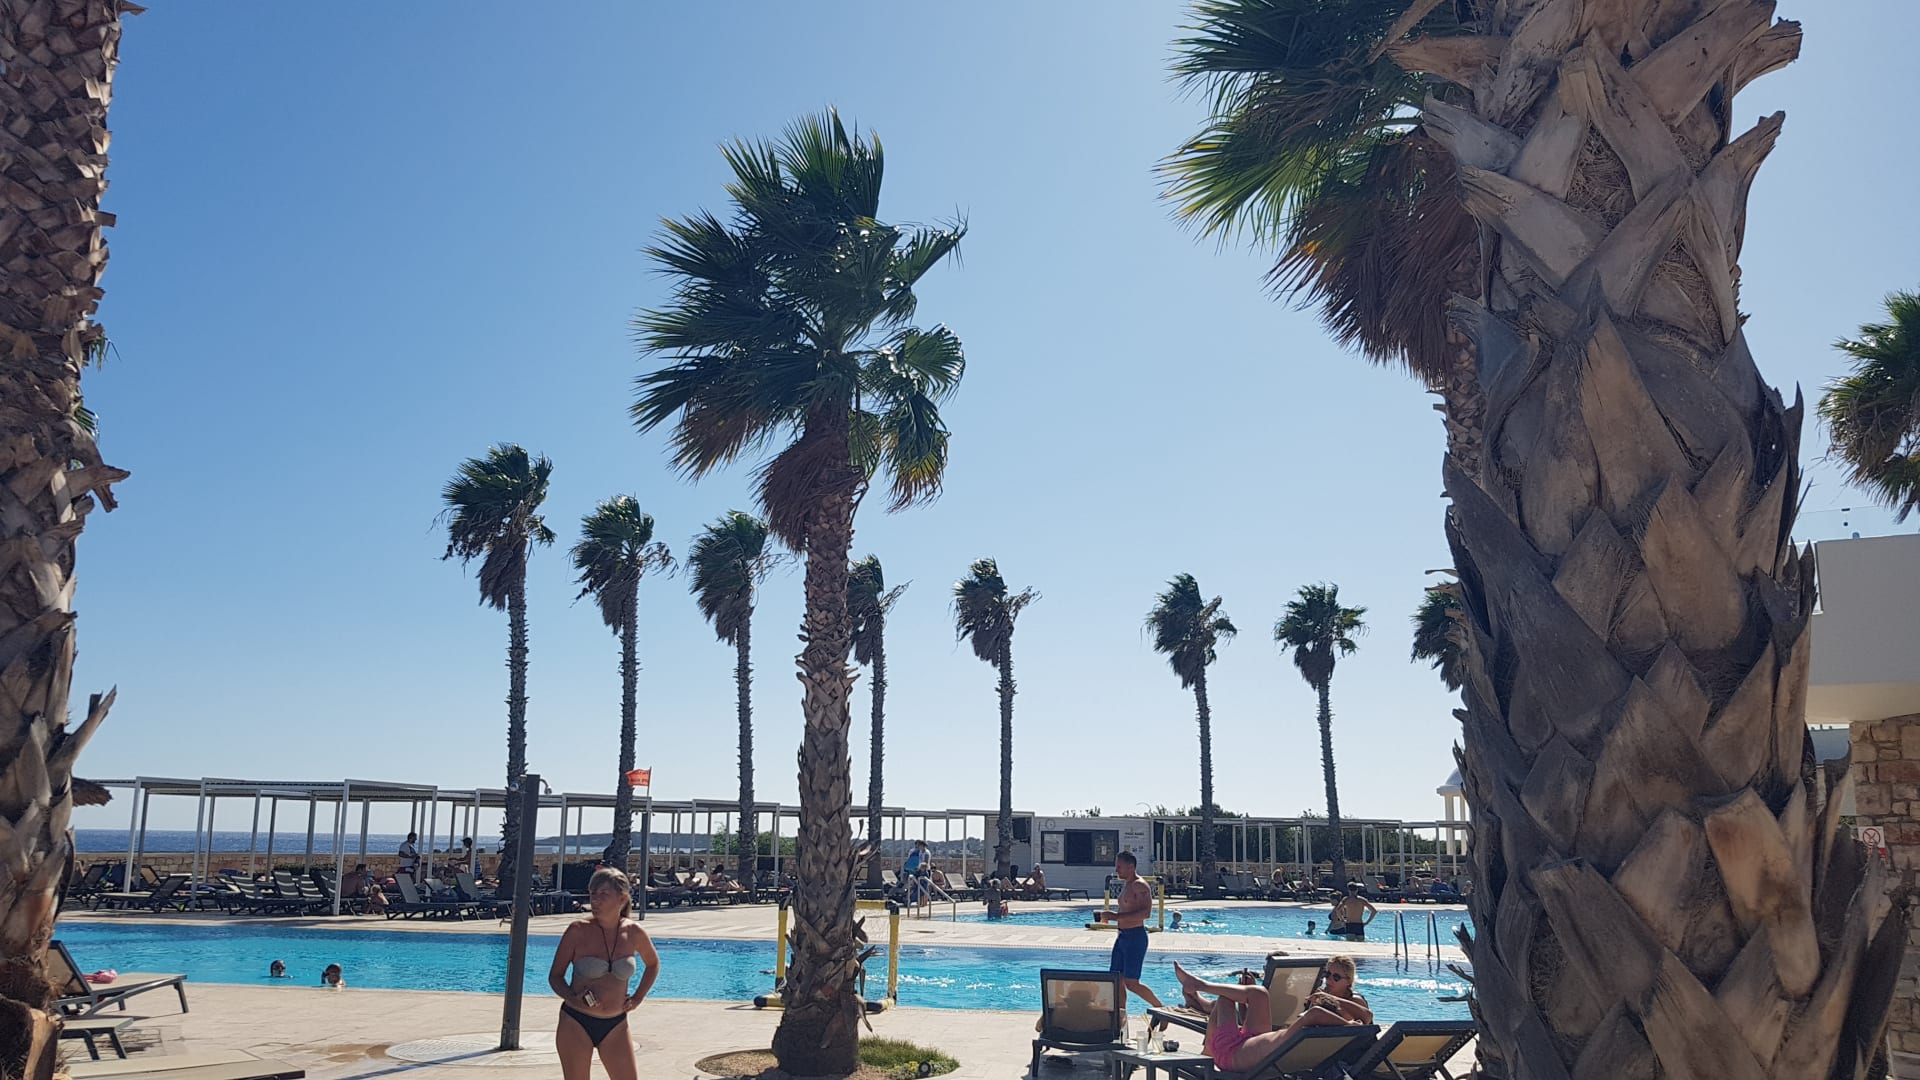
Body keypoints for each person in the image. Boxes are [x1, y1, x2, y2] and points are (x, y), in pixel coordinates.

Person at [549, 867, 659, 1080]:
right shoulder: (577, 930)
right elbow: (555, 976)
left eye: (603, 894)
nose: (595, 900)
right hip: (576, 1021)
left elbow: (653, 964)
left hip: (616, 1023)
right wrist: (573, 997)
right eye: (592, 894)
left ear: (622, 899)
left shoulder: (633, 932)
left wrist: (638, 997)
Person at [1172, 955, 1370, 1073]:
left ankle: (1200, 990)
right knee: (1259, 993)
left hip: (1230, 1053)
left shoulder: (1304, 1026)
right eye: (1328, 974)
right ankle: (1199, 990)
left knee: (1225, 998)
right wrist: (1347, 1025)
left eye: (1336, 977)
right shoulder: (1308, 1036)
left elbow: (1316, 1013)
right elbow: (1318, 1014)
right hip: (1253, 1046)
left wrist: (1348, 1025)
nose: (1329, 980)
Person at [1091, 851, 1163, 1008]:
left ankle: (1161, 1008)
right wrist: (1110, 916)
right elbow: (1127, 908)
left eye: (1119, 867)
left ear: (1131, 867)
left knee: (1132, 983)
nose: (1116, 870)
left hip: (1135, 937)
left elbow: (1146, 913)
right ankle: (1120, 1016)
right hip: (1122, 937)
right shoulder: (1128, 884)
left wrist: (1115, 917)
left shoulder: (1139, 885)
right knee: (1116, 980)